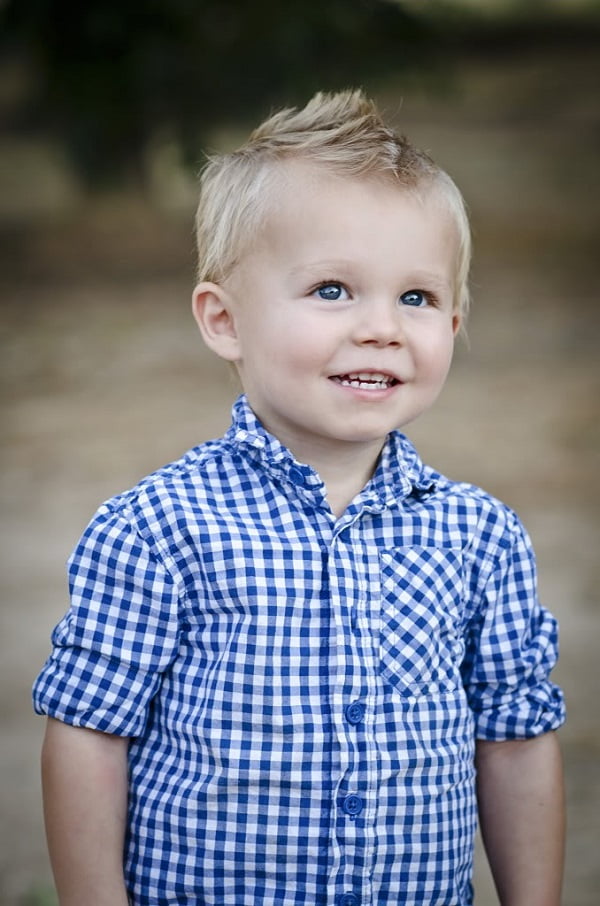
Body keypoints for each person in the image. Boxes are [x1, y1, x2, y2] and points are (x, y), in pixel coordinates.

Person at [33, 89, 566, 906]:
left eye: (416, 298)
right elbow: (90, 736)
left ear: (454, 326)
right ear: (224, 321)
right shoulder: (159, 528)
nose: (382, 327)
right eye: (332, 290)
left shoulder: (480, 537)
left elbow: (515, 742)